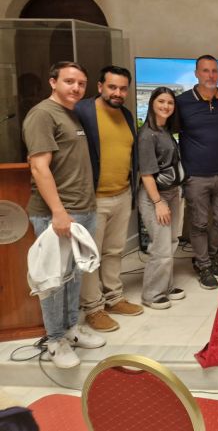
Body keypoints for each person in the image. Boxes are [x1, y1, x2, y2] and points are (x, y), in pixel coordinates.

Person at [22, 61, 105, 368]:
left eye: (81, 83)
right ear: (53, 82)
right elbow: (38, 167)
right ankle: (55, 340)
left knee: (73, 275)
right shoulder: (43, 114)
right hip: (57, 213)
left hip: (81, 209)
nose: (76, 88)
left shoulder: (70, 114)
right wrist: (58, 211)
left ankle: (70, 328)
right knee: (54, 279)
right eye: (69, 81)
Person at [75, 65, 141, 332]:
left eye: (123, 88)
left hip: (122, 193)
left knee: (114, 251)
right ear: (100, 86)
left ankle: (113, 297)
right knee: (90, 256)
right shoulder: (82, 112)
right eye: (112, 87)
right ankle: (93, 308)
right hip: (93, 198)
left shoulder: (125, 114)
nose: (118, 92)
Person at [176, 55, 218, 290]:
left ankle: (206, 258)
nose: (210, 75)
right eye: (205, 71)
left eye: (214, 71)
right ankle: (203, 265)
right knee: (199, 223)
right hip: (196, 175)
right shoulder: (181, 102)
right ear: (196, 73)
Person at [137, 87, 187, 310]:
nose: (166, 106)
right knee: (161, 246)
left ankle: (165, 286)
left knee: (172, 241)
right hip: (155, 197)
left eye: (170, 103)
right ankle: (152, 294)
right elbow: (146, 174)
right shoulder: (147, 134)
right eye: (161, 102)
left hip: (172, 193)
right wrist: (158, 203)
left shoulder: (165, 130)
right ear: (152, 103)